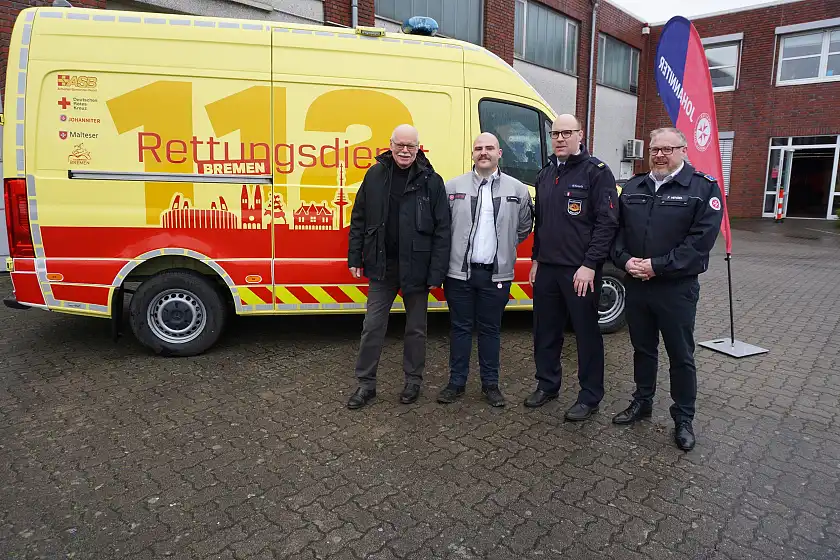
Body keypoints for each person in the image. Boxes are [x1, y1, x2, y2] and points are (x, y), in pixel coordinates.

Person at [611, 127, 724, 451]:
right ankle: (642, 401)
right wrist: (625, 260)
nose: (659, 155)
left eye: (667, 149)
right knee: (643, 350)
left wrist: (657, 265)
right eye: (655, 150)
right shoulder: (633, 187)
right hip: (637, 285)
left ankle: (683, 417)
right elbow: (616, 233)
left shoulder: (702, 189)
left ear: (683, 151)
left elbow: (699, 243)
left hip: (676, 289)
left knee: (680, 355)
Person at [346, 124, 451, 409]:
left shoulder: (432, 181)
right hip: (382, 266)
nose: (405, 151)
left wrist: (436, 273)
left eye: (411, 146)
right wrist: (355, 257)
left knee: (416, 329)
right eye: (400, 145)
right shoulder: (375, 175)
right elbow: (359, 218)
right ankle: (366, 384)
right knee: (372, 326)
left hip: (417, 268)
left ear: (419, 148)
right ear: (390, 145)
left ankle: (413, 381)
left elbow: (443, 231)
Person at [526, 114, 619, 421]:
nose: (560, 138)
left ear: (581, 135)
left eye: (567, 133)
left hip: (579, 272)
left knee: (586, 334)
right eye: (555, 134)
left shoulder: (596, 173)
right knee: (545, 332)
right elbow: (542, 223)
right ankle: (547, 384)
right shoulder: (547, 171)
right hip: (549, 270)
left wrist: (591, 265)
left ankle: (590, 395)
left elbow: (607, 223)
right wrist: (537, 260)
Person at [436, 132, 533, 407]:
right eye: (478, 148)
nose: (484, 152)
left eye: (489, 148)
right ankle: (456, 383)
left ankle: (490, 385)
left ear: (499, 153)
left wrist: (506, 248)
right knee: (460, 329)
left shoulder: (517, 189)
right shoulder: (453, 186)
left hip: (496, 275)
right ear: (473, 154)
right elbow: (443, 228)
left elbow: (524, 226)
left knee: (491, 330)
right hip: (459, 274)